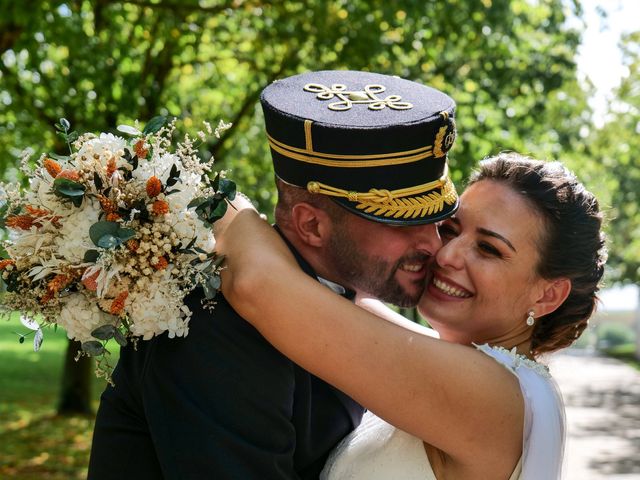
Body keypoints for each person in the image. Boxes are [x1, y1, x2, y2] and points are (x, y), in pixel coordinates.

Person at [88, 70, 460, 479]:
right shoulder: (218, 330)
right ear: (312, 225)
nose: (435, 243)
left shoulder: (341, 299)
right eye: (401, 222)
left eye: (440, 220)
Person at [215, 152, 607, 479]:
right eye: (451, 230)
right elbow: (339, 299)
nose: (446, 254)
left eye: (488, 249)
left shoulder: (490, 394)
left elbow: (258, 285)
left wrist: (218, 205)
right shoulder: (505, 379)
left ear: (548, 294)